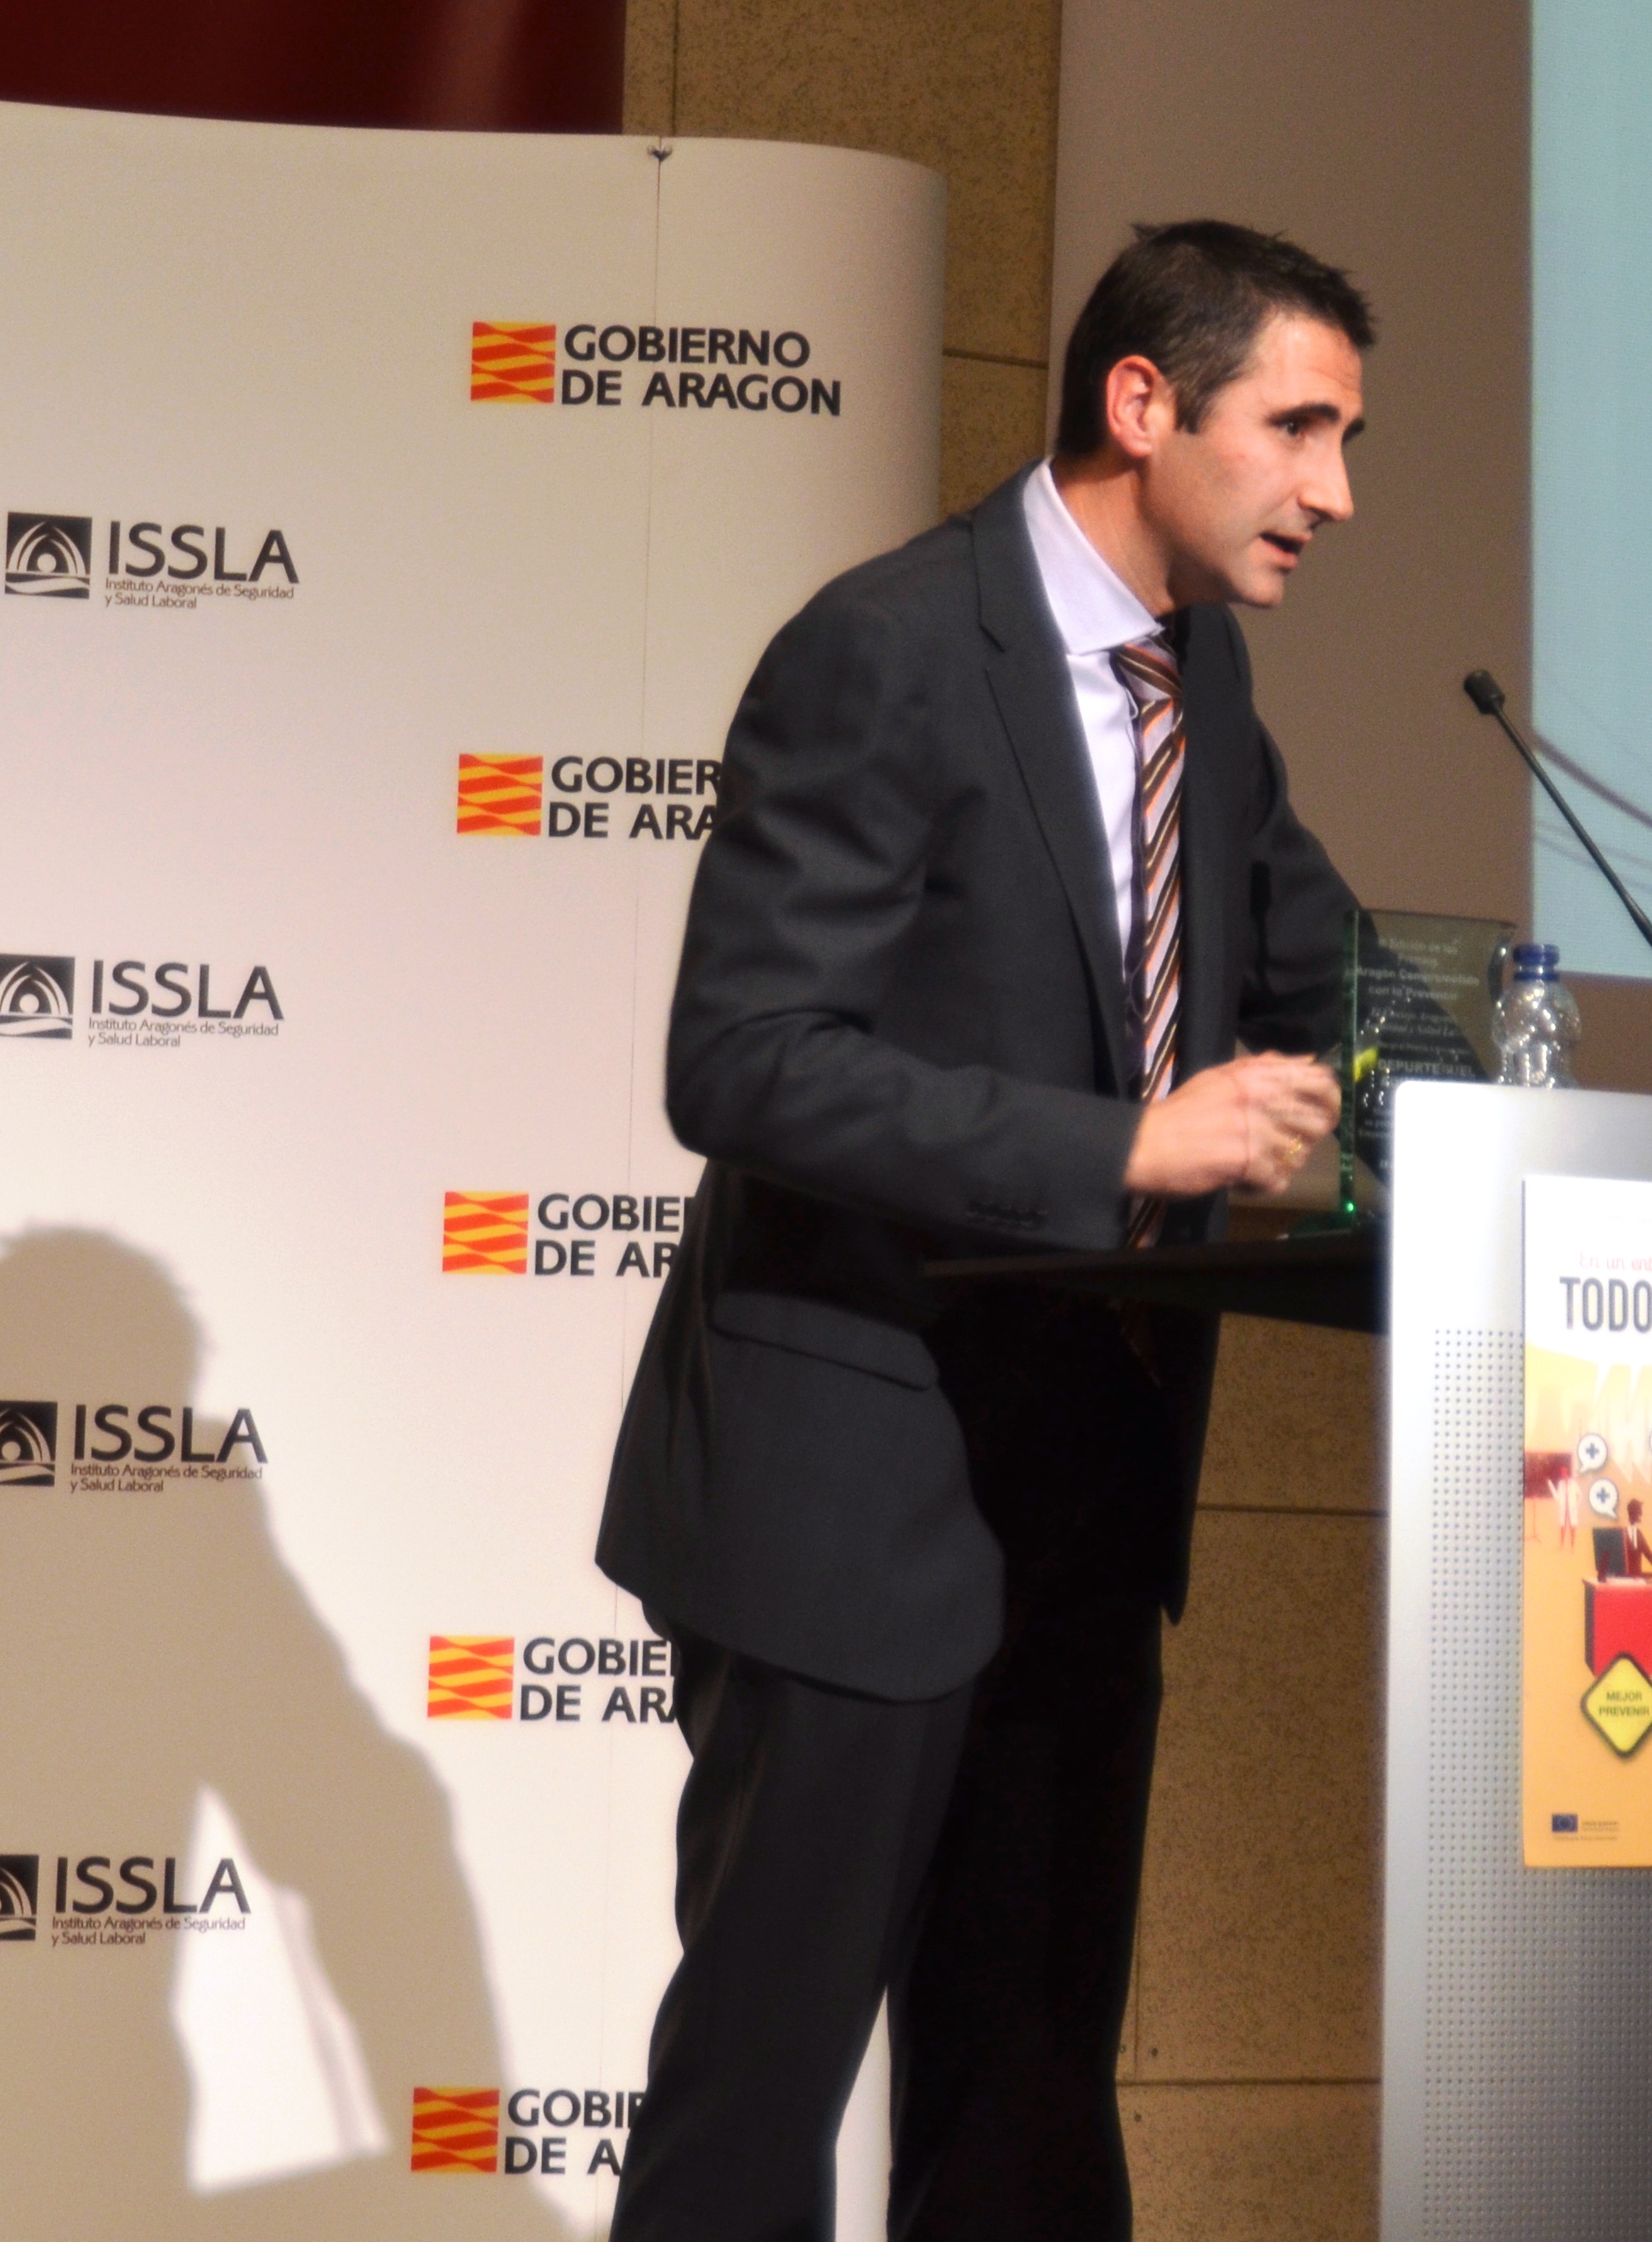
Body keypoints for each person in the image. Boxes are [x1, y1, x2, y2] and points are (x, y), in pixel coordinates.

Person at [596, 223, 1369, 2240]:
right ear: (1143, 401)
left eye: (1344, 441)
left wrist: (1530, 1119)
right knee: (757, 2107)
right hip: (848, 1488)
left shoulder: (1202, 676)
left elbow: (1327, 973)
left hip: (1081, 1498)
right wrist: (1127, 1147)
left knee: (1027, 2103)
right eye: (1298, 428)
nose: (1333, 491)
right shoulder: (890, 645)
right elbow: (742, 1058)